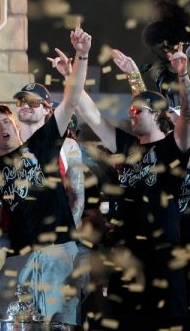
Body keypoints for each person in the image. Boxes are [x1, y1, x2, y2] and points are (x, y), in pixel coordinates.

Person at [55, 42, 190, 328]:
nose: (131, 113)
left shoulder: (172, 148)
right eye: (130, 109)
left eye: (138, 110)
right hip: (126, 258)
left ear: (156, 114)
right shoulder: (126, 146)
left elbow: (187, 117)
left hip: (162, 260)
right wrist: (73, 74)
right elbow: (90, 113)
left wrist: (184, 76)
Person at [0, 21, 91, 327]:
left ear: (14, 125)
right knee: (1, 316)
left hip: (56, 247)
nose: (1, 126)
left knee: (57, 323)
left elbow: (72, 98)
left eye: (5, 120)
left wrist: (82, 56)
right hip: (20, 252)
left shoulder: (43, 141)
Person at [12, 83, 86, 227]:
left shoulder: (67, 146)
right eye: (22, 101)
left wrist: (66, 231)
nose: (25, 105)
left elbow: (77, 197)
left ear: (46, 109)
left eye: (33, 102)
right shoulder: (4, 145)